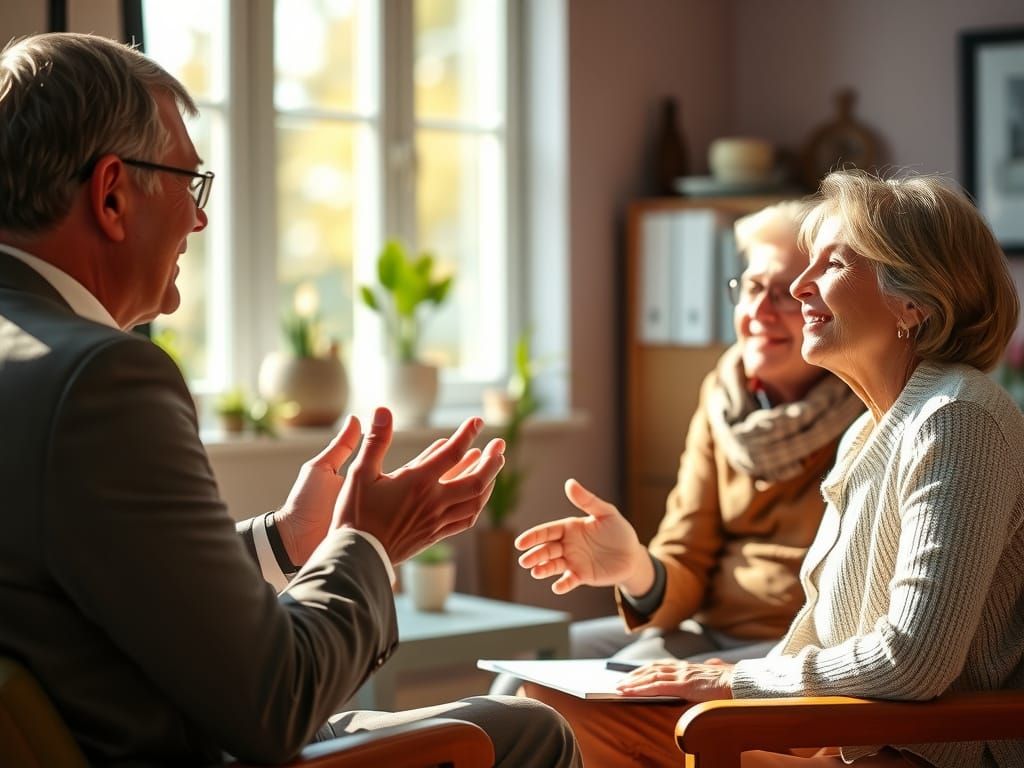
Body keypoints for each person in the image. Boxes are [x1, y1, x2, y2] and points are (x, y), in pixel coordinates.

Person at [0, 32, 579, 767]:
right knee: (527, 732)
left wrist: (286, 542)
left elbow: (110, 588)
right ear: (112, 193)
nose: (199, 220)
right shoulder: (101, 381)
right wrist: (368, 543)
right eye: (189, 182)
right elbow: (279, 700)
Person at [519, 170, 1024, 767]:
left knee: (570, 721)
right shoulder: (871, 428)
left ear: (912, 302)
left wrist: (732, 682)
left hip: (921, 751)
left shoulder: (956, 416)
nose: (801, 288)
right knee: (553, 703)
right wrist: (727, 674)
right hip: (844, 729)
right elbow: (820, 630)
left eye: (831, 266)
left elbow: (913, 658)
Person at [491, 201, 863, 697]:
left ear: (826, 307)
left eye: (786, 295)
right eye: (752, 287)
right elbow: (687, 551)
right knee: (522, 673)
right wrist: (634, 567)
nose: (758, 312)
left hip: (795, 642)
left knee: (610, 683)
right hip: (705, 624)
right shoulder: (723, 396)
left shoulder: (866, 407)